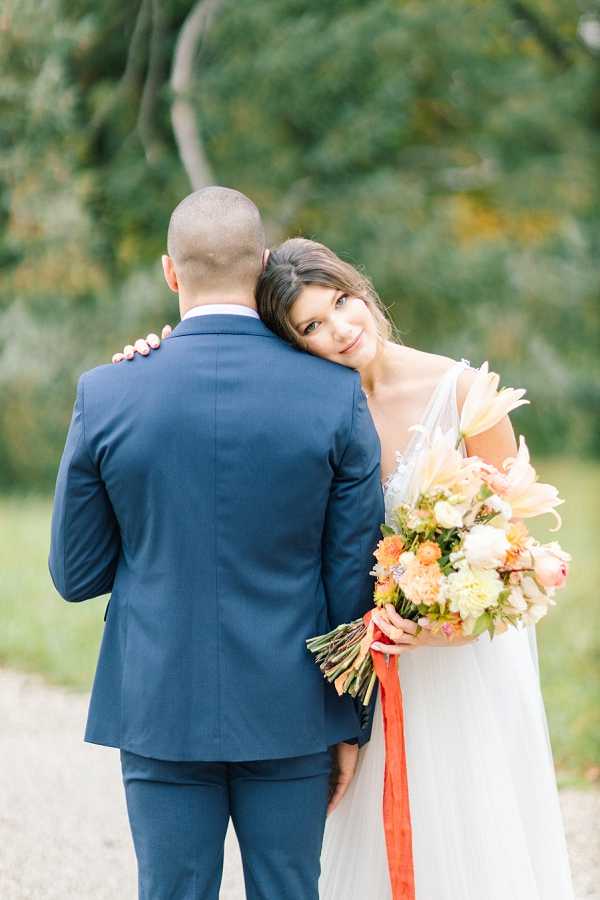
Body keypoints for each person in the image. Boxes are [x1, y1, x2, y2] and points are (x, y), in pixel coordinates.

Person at [121, 236, 575, 899]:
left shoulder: (467, 396)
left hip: (456, 668)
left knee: (468, 838)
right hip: (354, 672)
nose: (339, 328)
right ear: (290, 340)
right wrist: (154, 353)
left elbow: (517, 562)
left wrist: (446, 624)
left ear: (360, 288)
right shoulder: (304, 407)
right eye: (310, 325)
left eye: (342, 302)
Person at [48, 190, 384, 900]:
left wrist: (153, 549)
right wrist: (350, 721)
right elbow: (352, 577)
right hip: (295, 706)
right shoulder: (334, 395)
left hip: (159, 697)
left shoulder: (106, 393)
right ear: (263, 267)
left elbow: (76, 574)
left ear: (171, 274)